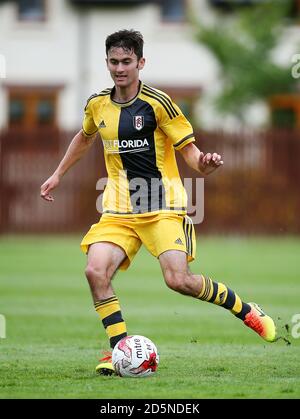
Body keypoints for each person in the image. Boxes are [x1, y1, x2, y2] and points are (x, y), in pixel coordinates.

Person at [40, 29, 277, 376]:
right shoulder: (96, 104)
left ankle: (245, 310)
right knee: (95, 271)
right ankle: (118, 351)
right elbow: (84, 136)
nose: (119, 68)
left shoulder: (158, 103)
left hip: (161, 205)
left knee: (178, 280)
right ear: (106, 62)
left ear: (141, 62)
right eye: (113, 61)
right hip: (118, 209)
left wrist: (206, 165)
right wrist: (58, 173)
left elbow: (193, 157)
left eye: (127, 61)